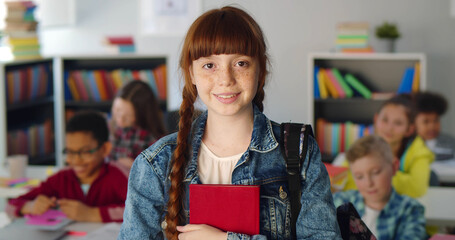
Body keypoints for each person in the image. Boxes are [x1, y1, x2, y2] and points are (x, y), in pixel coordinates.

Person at [119, 6, 341, 240]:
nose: (225, 79)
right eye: (209, 65)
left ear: (261, 70)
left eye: (241, 63)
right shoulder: (154, 165)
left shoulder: (298, 151)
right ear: (191, 73)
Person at [6, 111, 128, 223]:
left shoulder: (119, 175)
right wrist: (30, 206)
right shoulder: (61, 178)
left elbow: (144, 210)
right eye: (70, 152)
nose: (76, 160)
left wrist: (91, 214)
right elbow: (10, 206)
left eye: (85, 152)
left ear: (105, 149)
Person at [333, 135, 426, 239]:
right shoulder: (339, 201)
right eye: (359, 176)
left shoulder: (410, 209)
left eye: (376, 173)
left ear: (394, 167)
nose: (369, 183)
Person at [344, 94, 434, 198]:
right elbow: (343, 180)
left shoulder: (420, 152)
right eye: (385, 120)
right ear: (376, 119)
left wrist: (378, 174)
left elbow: (417, 188)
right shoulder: (364, 144)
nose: (389, 128)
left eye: (398, 123)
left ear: (409, 130)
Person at [109, 80, 167, 170]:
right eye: (117, 110)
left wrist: (136, 167)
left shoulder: (155, 142)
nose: (120, 119)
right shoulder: (107, 127)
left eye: (128, 116)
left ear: (142, 114)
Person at [414, 91, 455, 160]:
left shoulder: (451, 143)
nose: (432, 126)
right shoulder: (408, 144)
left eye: (436, 120)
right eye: (426, 122)